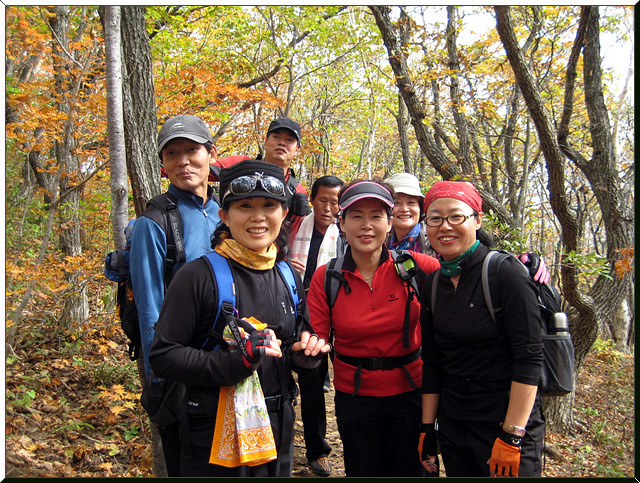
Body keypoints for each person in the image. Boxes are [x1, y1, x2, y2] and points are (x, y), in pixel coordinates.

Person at [148, 159, 332, 477]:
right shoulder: (198, 276)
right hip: (213, 432)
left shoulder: (288, 276)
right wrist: (236, 364)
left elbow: (293, 344)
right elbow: (164, 356)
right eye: (245, 205)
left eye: (269, 205)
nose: (258, 216)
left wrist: (304, 357)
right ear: (224, 215)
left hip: (277, 427)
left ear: (285, 213)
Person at [306, 179, 441, 477]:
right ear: (342, 223)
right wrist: (311, 344)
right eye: (356, 216)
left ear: (390, 223)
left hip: (411, 394)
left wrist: (519, 264)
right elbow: (317, 332)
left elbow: (465, 271)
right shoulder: (326, 278)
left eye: (376, 216)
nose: (366, 225)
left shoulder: (417, 268)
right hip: (355, 397)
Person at [419, 180, 545, 477]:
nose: (444, 227)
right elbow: (433, 363)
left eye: (456, 217)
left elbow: (529, 359)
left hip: (504, 419)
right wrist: (428, 429)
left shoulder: (504, 273)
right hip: (455, 421)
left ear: (477, 220)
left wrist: (512, 437)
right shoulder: (434, 286)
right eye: (435, 218)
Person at [129, 114, 221, 476]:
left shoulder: (226, 212)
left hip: (226, 363)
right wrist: (160, 376)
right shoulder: (154, 223)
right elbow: (149, 306)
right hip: (180, 366)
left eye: (192, 150)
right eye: (173, 154)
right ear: (163, 165)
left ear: (210, 154)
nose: (183, 161)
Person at [289, 175, 345, 476]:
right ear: (312, 200)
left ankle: (317, 450)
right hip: (290, 307)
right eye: (322, 200)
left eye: (335, 202)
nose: (328, 207)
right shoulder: (295, 226)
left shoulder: (344, 235)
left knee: (313, 382)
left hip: (324, 315)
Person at [384, 172, 434, 255]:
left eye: (411, 202)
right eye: (397, 203)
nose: (404, 209)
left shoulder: (433, 240)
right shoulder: (382, 241)